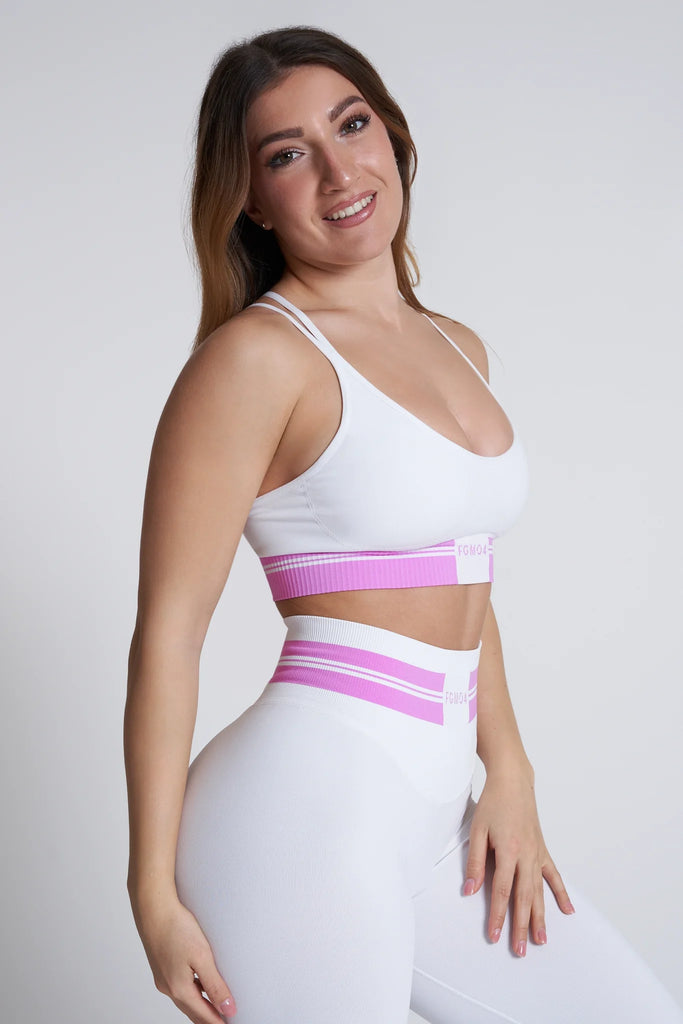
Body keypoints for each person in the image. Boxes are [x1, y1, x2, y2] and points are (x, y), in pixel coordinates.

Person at [123, 24, 683, 1024]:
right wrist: (151, 893)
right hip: (301, 815)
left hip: (438, 814)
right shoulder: (253, 362)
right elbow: (169, 632)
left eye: (351, 125)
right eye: (287, 154)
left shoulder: (454, 345)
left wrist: (508, 768)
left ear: (391, 133)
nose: (338, 170)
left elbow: (461, 577)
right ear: (250, 198)